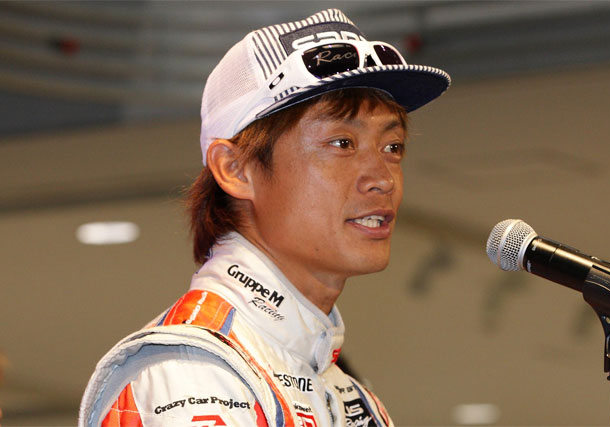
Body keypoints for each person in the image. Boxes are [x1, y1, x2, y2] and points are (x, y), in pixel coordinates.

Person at [79, 8, 450, 427]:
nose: (382, 179)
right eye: (342, 143)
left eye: (393, 147)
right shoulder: (192, 375)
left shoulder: (346, 394)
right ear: (235, 170)